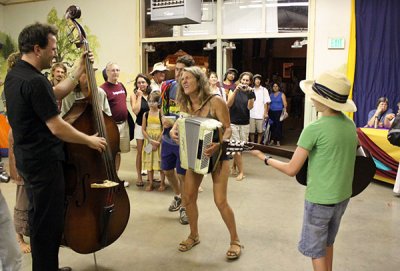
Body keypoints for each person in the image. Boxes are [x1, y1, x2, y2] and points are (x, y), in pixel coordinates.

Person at [4, 22, 107, 271]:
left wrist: (79, 67)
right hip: (44, 163)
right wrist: (89, 140)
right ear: (37, 49)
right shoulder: (35, 81)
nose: (54, 53)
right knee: (47, 224)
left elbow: (55, 93)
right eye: (51, 48)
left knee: (41, 219)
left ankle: (46, 265)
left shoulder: (17, 73)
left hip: (29, 159)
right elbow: (57, 126)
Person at [251, 71, 358, 271]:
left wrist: (264, 158)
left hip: (320, 199)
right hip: (342, 196)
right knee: (328, 242)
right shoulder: (350, 125)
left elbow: (292, 169)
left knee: (316, 250)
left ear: (324, 101)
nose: (310, 99)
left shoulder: (314, 129)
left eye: (315, 96)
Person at [172, 66, 242, 260]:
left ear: (199, 81)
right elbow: (180, 123)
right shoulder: (185, 104)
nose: (183, 81)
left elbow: (228, 129)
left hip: (219, 155)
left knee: (220, 201)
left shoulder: (216, 101)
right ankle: (194, 235)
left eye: (188, 78)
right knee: (188, 197)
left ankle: (235, 240)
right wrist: (173, 131)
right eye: (181, 79)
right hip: (197, 155)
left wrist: (219, 144)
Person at [160, 54, 195, 225]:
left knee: (182, 175)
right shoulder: (166, 86)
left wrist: (173, 121)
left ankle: (185, 208)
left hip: (183, 139)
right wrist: (162, 120)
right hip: (167, 138)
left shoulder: (192, 91)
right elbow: (162, 107)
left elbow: (193, 115)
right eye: (176, 69)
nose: (178, 73)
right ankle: (179, 196)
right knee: (167, 171)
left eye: (182, 70)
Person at [99, 62, 130, 187]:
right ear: (107, 72)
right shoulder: (102, 89)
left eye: (117, 70)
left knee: (118, 152)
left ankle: (115, 176)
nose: (115, 72)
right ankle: (108, 177)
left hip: (124, 125)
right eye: (112, 70)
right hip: (111, 126)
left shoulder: (121, 85)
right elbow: (100, 110)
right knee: (110, 152)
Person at [226, 71, 256, 181]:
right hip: (233, 122)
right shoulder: (233, 89)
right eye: (243, 80)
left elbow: (250, 107)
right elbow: (228, 104)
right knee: (236, 148)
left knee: (240, 148)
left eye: (247, 80)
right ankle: (241, 172)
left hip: (244, 123)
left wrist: (250, 94)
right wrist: (236, 90)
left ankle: (234, 166)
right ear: (240, 80)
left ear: (250, 82)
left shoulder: (251, 92)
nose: (244, 82)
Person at [130, 73, 151, 187]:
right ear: (136, 84)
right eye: (139, 82)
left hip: (151, 127)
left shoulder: (152, 94)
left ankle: (149, 176)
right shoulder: (134, 95)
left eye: (143, 82)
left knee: (149, 151)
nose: (141, 84)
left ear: (147, 83)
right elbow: (136, 111)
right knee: (140, 151)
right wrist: (139, 96)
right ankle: (139, 177)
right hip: (139, 126)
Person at [142, 91, 165, 191]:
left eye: (154, 101)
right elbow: (143, 129)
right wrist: (150, 141)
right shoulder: (145, 114)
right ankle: (150, 183)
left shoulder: (161, 113)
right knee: (149, 163)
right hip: (149, 142)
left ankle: (162, 183)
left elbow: (164, 129)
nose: (151, 103)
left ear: (159, 102)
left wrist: (158, 142)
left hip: (159, 141)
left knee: (160, 163)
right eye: (149, 101)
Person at [249, 74, 270, 144]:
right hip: (251, 113)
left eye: (259, 79)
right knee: (251, 131)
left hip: (260, 114)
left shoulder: (264, 90)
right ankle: (252, 144)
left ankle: (258, 144)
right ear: (253, 81)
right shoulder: (251, 89)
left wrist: (265, 113)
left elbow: (266, 102)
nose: (257, 81)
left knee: (260, 131)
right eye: (256, 79)